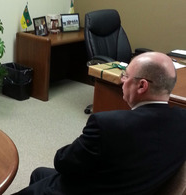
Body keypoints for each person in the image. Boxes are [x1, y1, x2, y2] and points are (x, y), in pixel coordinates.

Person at [13, 52, 186, 195]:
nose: (121, 81)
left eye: (125, 76)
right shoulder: (182, 119)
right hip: (133, 184)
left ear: (142, 86)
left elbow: (64, 162)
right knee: (39, 173)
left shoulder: (108, 125)